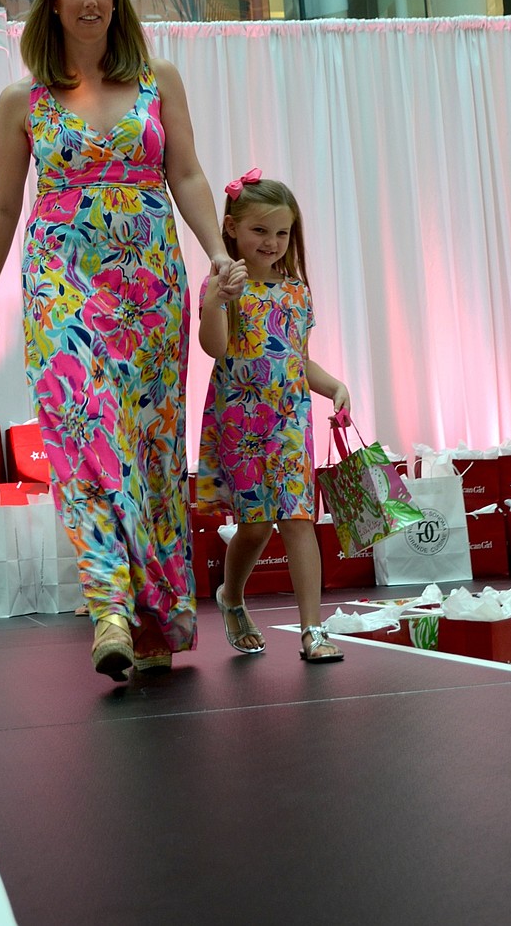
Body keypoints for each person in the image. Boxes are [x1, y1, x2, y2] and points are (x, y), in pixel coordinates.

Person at [0, 0, 246, 682]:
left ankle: (154, 616)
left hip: (149, 287)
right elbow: (0, 207)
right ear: (52, 4)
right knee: (80, 432)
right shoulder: (20, 102)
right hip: (61, 285)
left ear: (115, 1)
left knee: (150, 451)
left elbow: (184, 172)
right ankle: (110, 606)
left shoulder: (160, 83)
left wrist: (217, 253)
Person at [197, 170, 351, 663]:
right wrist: (219, 300)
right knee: (256, 527)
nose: (272, 242)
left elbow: (296, 359)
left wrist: (333, 386)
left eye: (282, 232)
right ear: (231, 230)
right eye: (260, 230)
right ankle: (231, 596)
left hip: (289, 423)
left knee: (299, 520)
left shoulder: (297, 292)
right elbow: (215, 348)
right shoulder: (219, 286)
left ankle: (312, 630)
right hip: (240, 423)